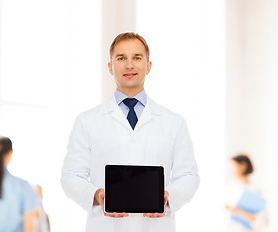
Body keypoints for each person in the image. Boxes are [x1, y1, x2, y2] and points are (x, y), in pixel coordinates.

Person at [60, 32, 200, 232]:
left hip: (156, 226)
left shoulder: (174, 122)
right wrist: (97, 194)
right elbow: (70, 176)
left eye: (137, 57)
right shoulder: (87, 121)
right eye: (121, 58)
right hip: (106, 226)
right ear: (110, 67)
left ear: (148, 66)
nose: (129, 65)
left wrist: (169, 196)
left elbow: (189, 175)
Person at [225, 154, 268, 232]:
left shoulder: (255, 190)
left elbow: (263, 220)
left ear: (243, 166)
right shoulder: (229, 189)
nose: (229, 171)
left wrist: (237, 211)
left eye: (232, 167)